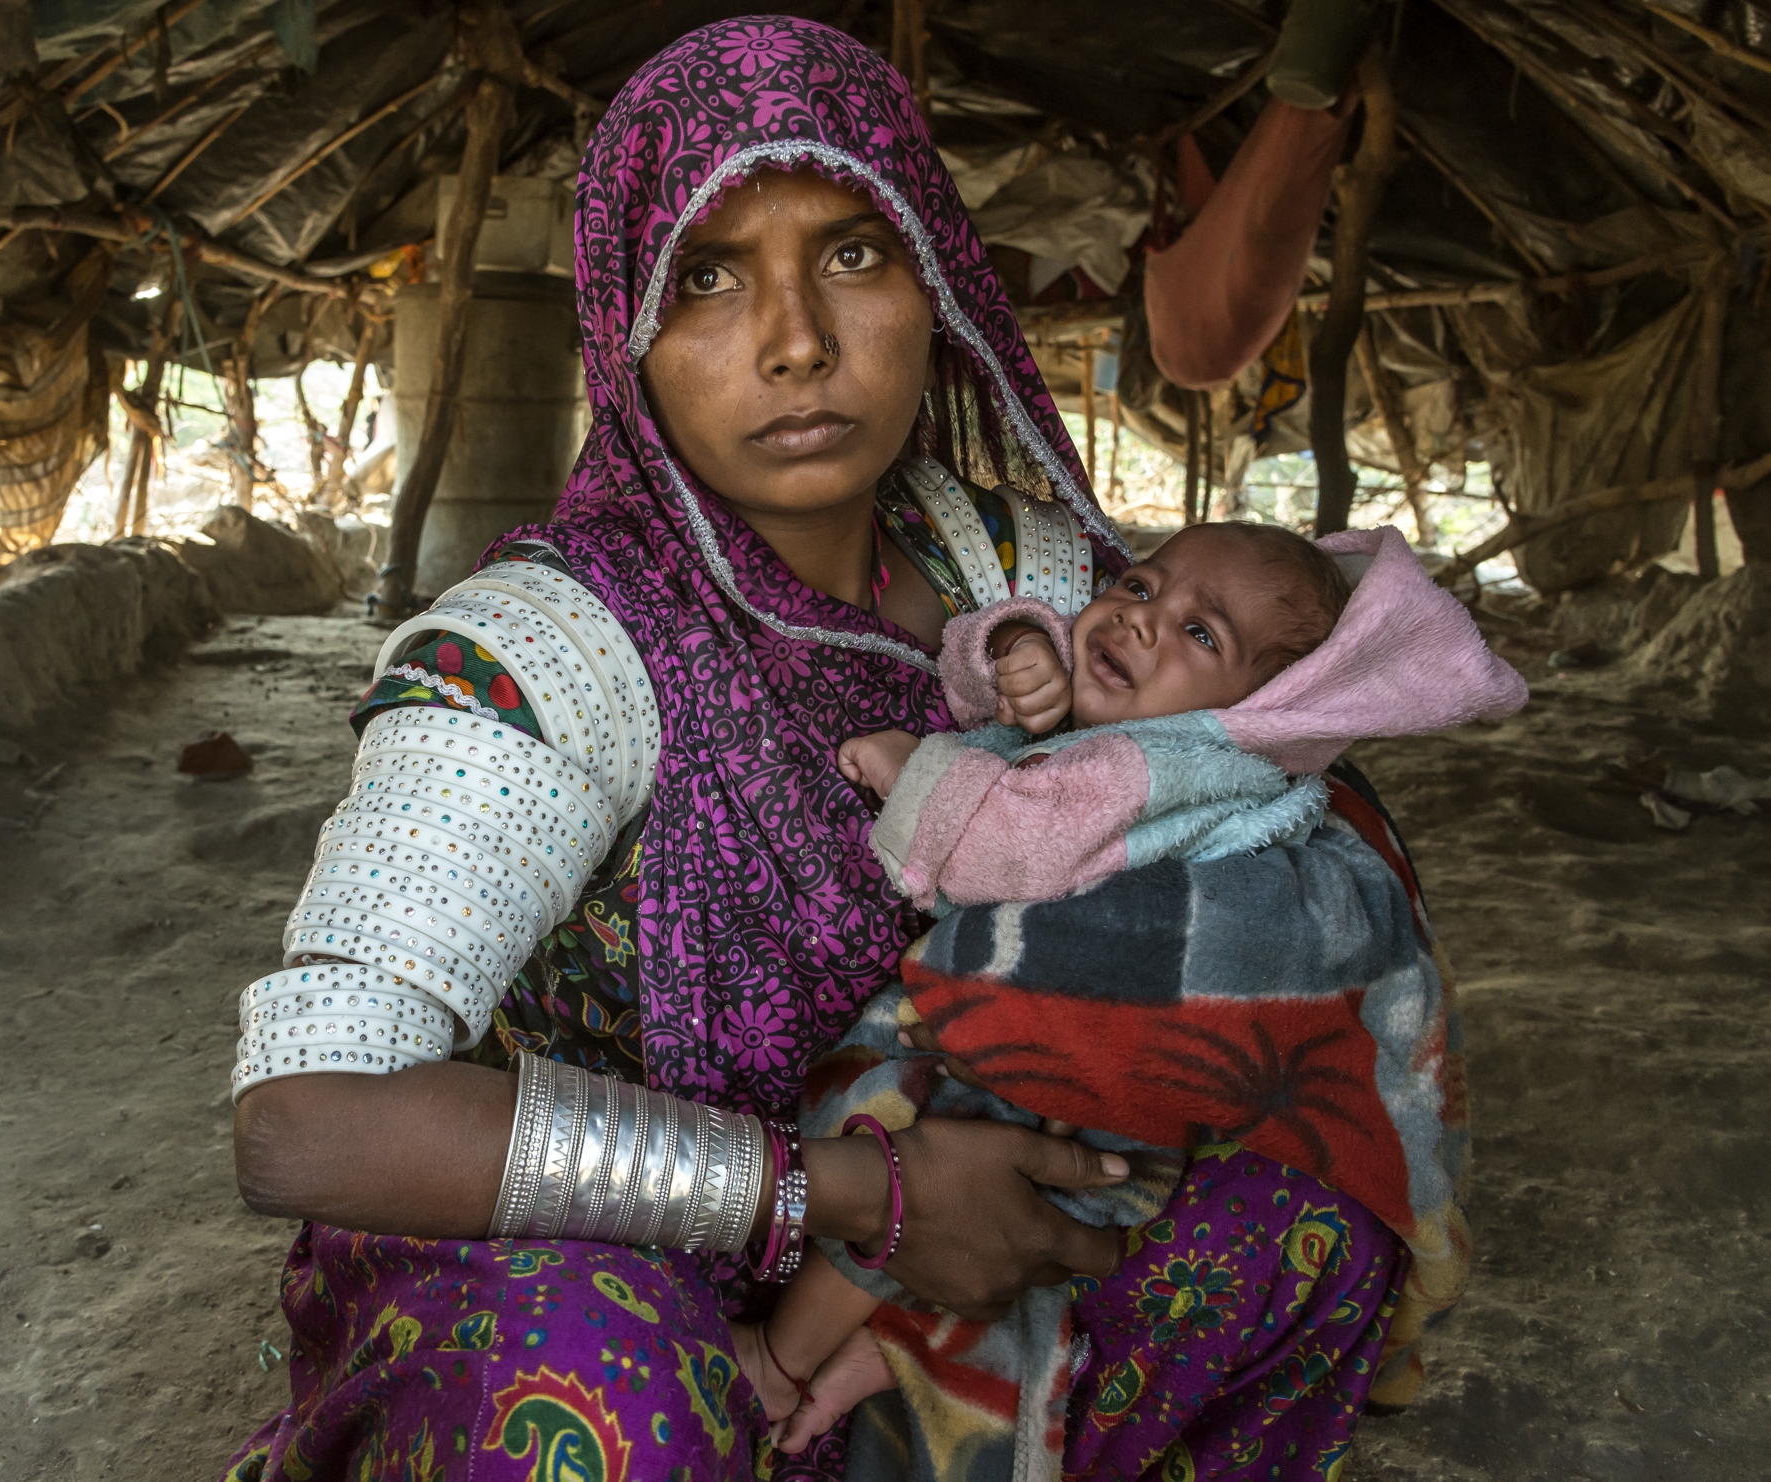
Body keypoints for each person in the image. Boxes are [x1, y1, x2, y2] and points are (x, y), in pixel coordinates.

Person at [225, 19, 1446, 1481]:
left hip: (940, 1232)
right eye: (709, 274)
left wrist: (1040, 1129)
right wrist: (847, 1194)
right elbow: (306, 1118)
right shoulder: (542, 650)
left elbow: (1265, 761)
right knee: (597, 1392)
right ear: (626, 322)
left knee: (1301, 1223)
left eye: (854, 255)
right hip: (602, 1263)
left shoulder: (1019, 562)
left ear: (935, 280)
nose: (796, 336)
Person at [734, 521, 1524, 1464]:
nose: (1143, 624)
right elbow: (985, 683)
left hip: (1098, 1077)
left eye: (1202, 636)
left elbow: (1011, 847)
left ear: (1276, 706)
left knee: (913, 1143)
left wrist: (919, 772)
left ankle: (787, 1356)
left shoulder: (1170, 765)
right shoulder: (1149, 722)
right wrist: (1017, 650)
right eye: (1143, 587)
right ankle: (911, 1344)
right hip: (1115, 1109)